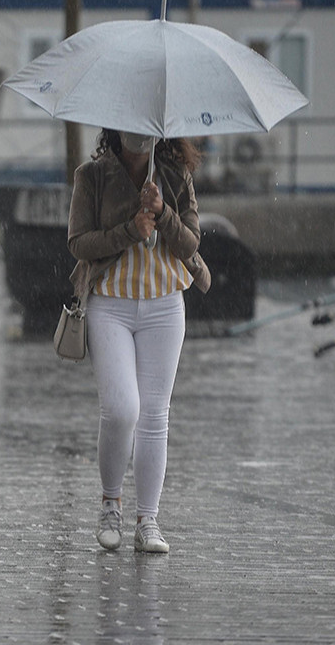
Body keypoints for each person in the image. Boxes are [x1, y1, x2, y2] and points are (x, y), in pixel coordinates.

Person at [66, 129, 210, 554]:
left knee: (154, 415)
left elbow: (191, 242)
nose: (139, 138)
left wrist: (162, 212)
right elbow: (78, 243)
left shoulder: (175, 174)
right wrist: (130, 229)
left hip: (165, 305)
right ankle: (110, 503)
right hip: (110, 303)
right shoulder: (91, 176)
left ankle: (148, 519)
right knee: (120, 408)